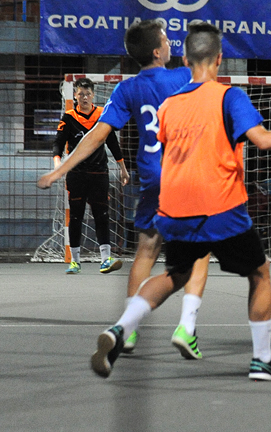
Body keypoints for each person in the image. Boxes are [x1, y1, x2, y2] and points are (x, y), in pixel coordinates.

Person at [88, 23, 271, 381]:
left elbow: (168, 153)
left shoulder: (169, 105)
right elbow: (262, 139)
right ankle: (262, 361)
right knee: (260, 273)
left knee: (173, 275)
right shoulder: (229, 96)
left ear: (185, 60)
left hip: (175, 208)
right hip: (220, 207)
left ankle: (120, 328)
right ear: (219, 59)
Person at [38, 20, 209, 359]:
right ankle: (187, 327)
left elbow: (97, 135)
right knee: (200, 250)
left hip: (153, 178)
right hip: (184, 174)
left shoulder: (127, 89)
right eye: (165, 39)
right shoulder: (182, 77)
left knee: (146, 250)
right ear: (158, 51)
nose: (170, 43)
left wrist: (61, 168)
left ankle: (128, 330)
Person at [52, 77, 130, 275]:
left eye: (87, 94)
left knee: (102, 215)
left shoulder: (103, 115)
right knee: (76, 216)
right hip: (76, 174)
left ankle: (105, 259)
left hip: (99, 174)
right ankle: (75, 261)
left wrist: (123, 168)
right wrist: (57, 163)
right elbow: (58, 143)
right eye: (81, 94)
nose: (84, 98)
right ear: (75, 96)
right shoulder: (69, 118)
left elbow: (113, 143)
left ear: (93, 95)